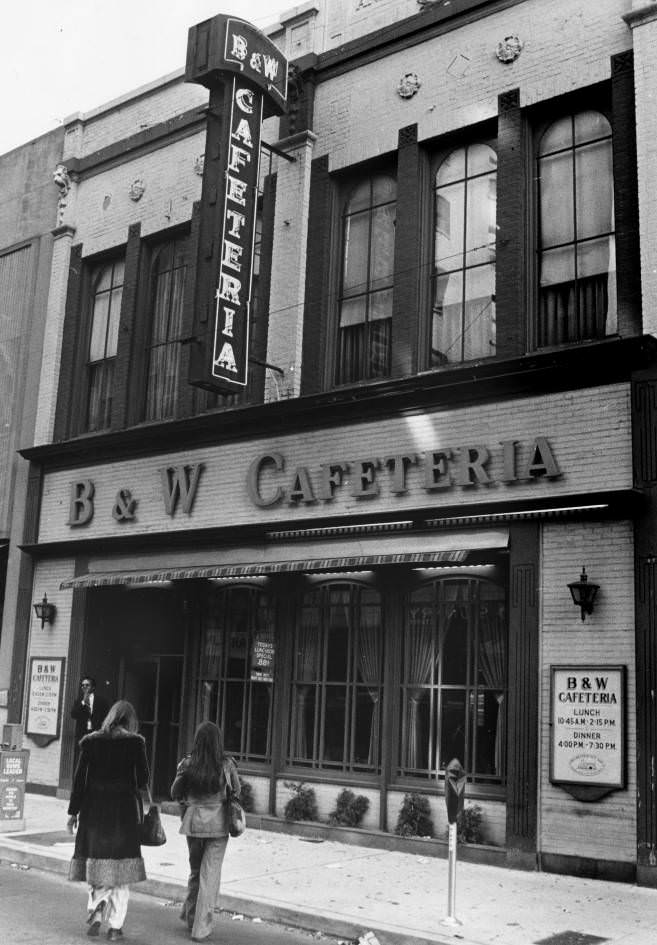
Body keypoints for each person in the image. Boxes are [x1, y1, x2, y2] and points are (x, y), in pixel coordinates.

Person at [67, 700, 150, 941]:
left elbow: (79, 781)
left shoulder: (90, 742)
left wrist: (73, 813)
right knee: (121, 871)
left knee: (97, 863)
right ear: (130, 720)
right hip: (123, 813)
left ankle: (97, 904)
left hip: (93, 811)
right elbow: (143, 779)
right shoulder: (136, 743)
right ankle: (115, 928)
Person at [170, 721, 241, 942]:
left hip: (193, 824)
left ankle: (191, 916)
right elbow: (236, 790)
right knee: (210, 875)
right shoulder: (227, 765)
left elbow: (174, 792)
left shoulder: (187, 764)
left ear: (197, 740)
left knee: (195, 870)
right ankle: (200, 927)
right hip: (218, 824)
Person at [71, 676, 109, 742]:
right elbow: (73, 714)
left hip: (97, 734)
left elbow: (106, 717)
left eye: (87, 685)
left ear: (93, 687)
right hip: (82, 734)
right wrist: (83, 702)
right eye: (82, 685)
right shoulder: (78, 701)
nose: (84, 687)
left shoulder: (101, 701)